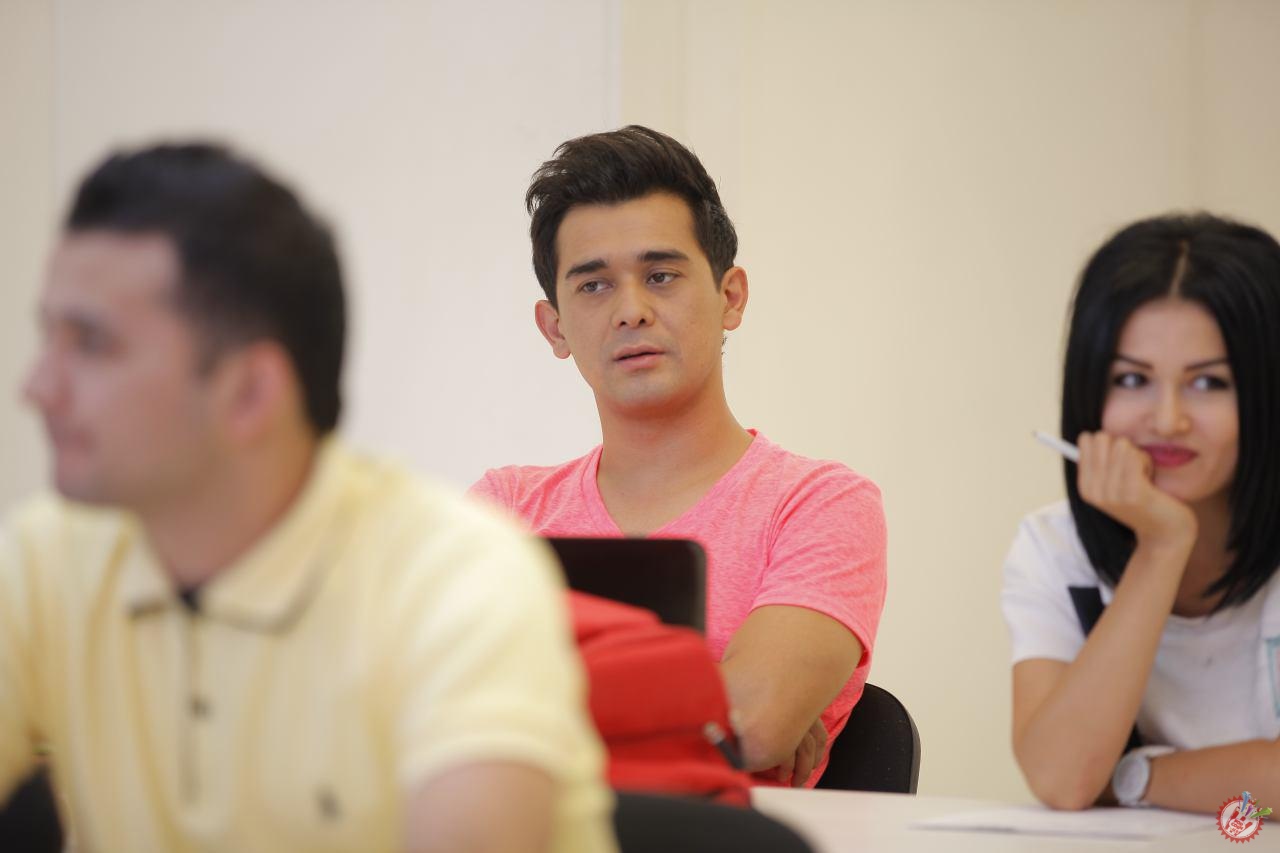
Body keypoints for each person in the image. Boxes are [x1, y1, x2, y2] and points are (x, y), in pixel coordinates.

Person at [0, 143, 615, 852]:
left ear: (249, 392)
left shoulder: (454, 582)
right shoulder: (46, 557)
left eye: (91, 344)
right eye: (48, 337)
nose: (37, 387)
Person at [470, 126, 887, 787]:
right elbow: (415, 706)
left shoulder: (820, 503)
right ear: (555, 326)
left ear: (731, 298)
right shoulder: (506, 508)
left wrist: (524, 695)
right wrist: (703, 706)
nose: (631, 311)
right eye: (594, 285)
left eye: (661, 276)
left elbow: (753, 722)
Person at [1003, 213, 1280, 813]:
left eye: (1208, 384)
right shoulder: (1055, 546)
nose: (1168, 420)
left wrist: (1131, 776)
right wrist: (1161, 545)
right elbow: (1062, 778)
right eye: (1132, 379)